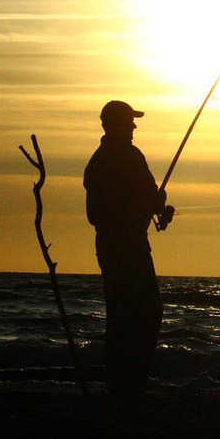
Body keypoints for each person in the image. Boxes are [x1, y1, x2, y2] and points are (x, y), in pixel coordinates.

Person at [83, 100, 167, 396]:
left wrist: (154, 208)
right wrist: (156, 206)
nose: (134, 126)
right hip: (130, 247)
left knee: (120, 313)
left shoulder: (98, 160)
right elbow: (143, 199)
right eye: (129, 121)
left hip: (108, 246)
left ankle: (120, 381)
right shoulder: (130, 157)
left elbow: (97, 213)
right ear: (115, 124)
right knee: (148, 311)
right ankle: (133, 382)